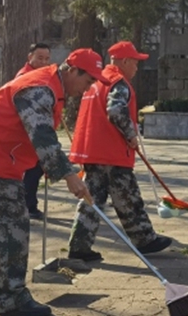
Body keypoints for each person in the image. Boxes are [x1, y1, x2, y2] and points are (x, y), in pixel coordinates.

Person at [0, 48, 99, 316]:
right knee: (12, 226)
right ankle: (11, 297)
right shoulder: (40, 89)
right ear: (72, 70)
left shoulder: (51, 86)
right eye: (88, 81)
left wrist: (49, 164)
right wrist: (69, 175)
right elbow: (42, 136)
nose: (88, 89)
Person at [67, 41, 172, 261]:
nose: (137, 68)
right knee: (128, 195)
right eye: (135, 63)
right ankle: (144, 239)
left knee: (91, 198)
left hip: (92, 150)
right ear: (124, 61)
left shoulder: (96, 82)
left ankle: (79, 246)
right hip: (111, 152)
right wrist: (130, 135)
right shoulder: (118, 82)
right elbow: (115, 110)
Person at [15, 42, 52, 220]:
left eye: (46, 59)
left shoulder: (43, 77)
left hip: (34, 131)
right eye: (39, 58)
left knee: (36, 169)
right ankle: (28, 205)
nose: (43, 62)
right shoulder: (25, 77)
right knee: (33, 169)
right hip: (26, 132)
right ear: (30, 57)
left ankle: (28, 203)